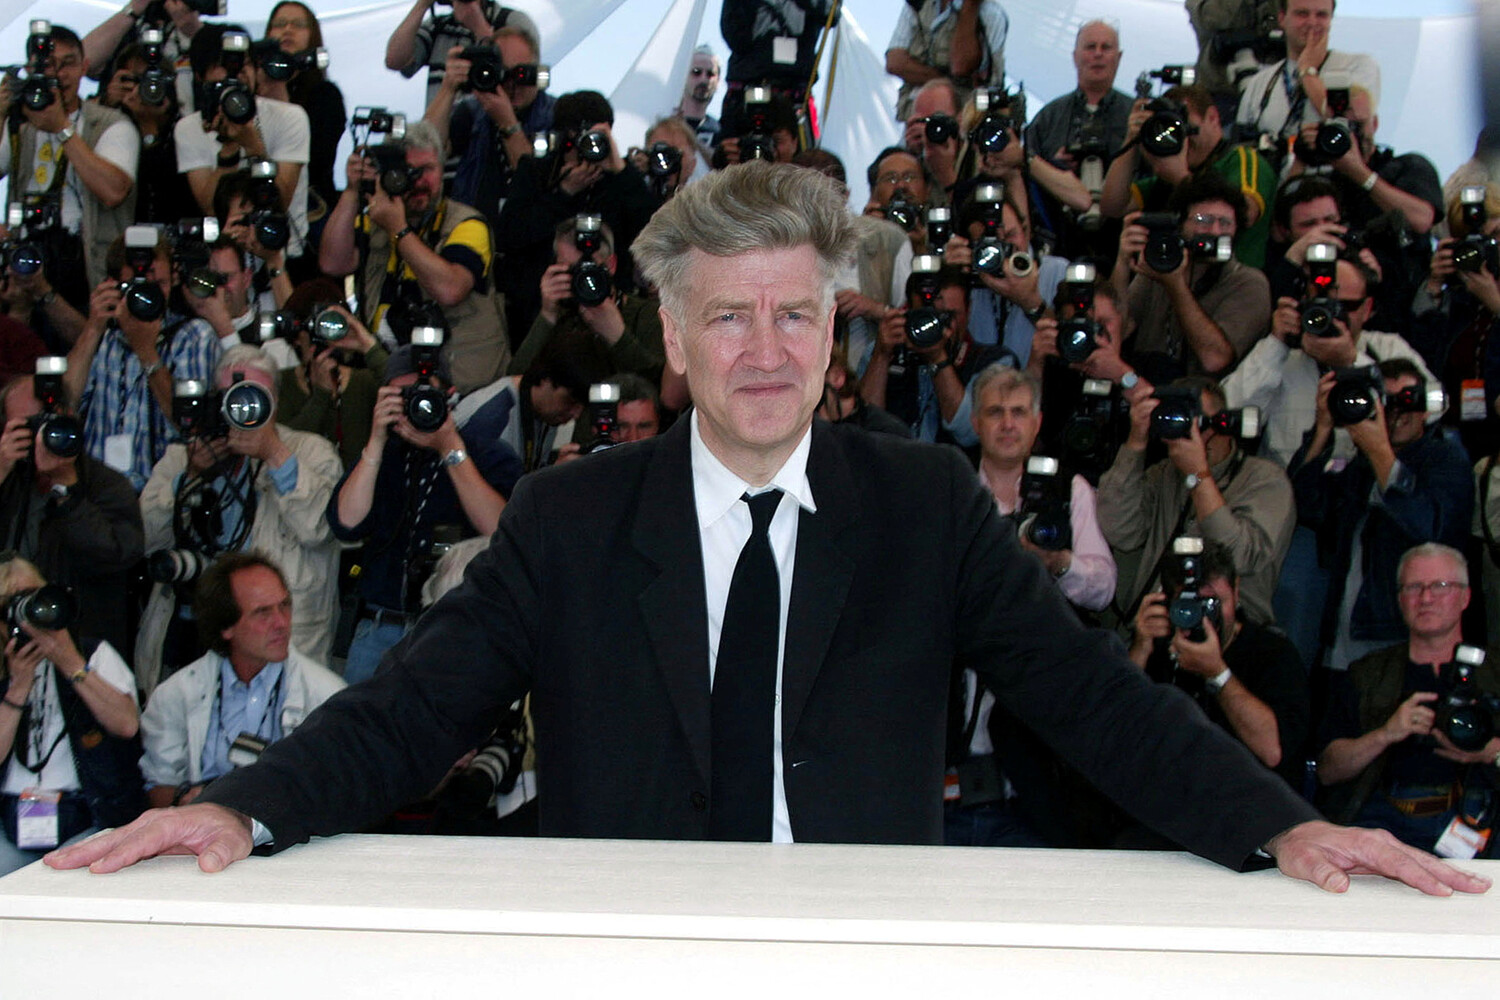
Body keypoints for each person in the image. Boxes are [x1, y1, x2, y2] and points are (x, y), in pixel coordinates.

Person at [47, 162, 1490, 901]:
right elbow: (414, 706)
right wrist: (244, 805)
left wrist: (1286, 824)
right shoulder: (568, 517)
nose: (764, 348)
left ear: (832, 335)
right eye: (728, 317)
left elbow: (1093, 699)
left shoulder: (924, 506)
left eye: (795, 313)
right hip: (633, 957)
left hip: (863, 951)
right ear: (673, 339)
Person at [136, 346, 343, 695]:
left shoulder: (310, 452)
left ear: (274, 401)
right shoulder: (183, 455)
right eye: (230, 396)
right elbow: (144, 538)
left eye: (253, 396)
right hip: (192, 631)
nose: (240, 408)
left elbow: (322, 530)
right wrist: (190, 476)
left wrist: (274, 453)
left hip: (277, 640)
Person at [329, 345, 520, 684]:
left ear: (449, 396)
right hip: (378, 628)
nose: (412, 404)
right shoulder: (382, 455)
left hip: (453, 628)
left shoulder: (485, 452)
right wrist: (375, 441)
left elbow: (502, 531)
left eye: (421, 393)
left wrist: (449, 448)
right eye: (400, 396)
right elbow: (345, 523)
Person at [1290, 358, 1475, 672]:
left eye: (1408, 400)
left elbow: (1432, 531)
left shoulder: (1444, 458)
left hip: (1401, 634)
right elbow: (1306, 507)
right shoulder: (1359, 464)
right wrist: (1322, 428)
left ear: (1426, 409)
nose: (1398, 411)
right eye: (1386, 401)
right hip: (1343, 639)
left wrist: (1379, 452)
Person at [1317, 543, 1500, 854]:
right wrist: (1385, 734)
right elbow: (1327, 770)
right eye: (1414, 587)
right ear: (1399, 598)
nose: (1426, 598)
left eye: (1440, 586)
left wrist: (1492, 752)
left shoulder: (1495, 670)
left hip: (1481, 814)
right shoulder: (1367, 674)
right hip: (1384, 817)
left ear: (1466, 596)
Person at [139, 552, 344, 809]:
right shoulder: (175, 694)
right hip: (200, 826)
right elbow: (157, 787)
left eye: (285, 605)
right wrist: (184, 800)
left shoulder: (327, 697)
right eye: (262, 613)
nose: (281, 623)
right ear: (226, 627)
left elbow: (338, 796)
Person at [319, 120, 511, 393]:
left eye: (428, 169)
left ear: (442, 169)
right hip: (388, 375)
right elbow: (333, 263)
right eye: (408, 171)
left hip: (462, 385)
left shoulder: (466, 223)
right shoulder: (377, 219)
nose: (419, 181)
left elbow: (450, 289)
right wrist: (352, 192)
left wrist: (399, 230)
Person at [1099, 375, 1296, 628]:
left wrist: (1199, 476)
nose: (1194, 432)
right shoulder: (1164, 474)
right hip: (1156, 624)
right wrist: (1136, 441)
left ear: (1224, 422)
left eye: (1200, 421)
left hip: (1229, 629)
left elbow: (1242, 558)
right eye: (1182, 422)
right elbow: (1119, 530)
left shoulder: (1265, 479)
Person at [0, 555, 141, 876]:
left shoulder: (93, 654)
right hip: (11, 816)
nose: (33, 613)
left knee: (69, 880)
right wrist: (17, 687)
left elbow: (127, 724)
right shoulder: (4, 670)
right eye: (16, 604)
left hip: (87, 812)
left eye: (36, 597)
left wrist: (70, 662)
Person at [1130, 541, 1309, 788]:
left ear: (1236, 592)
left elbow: (1272, 751)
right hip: (1166, 791)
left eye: (1213, 604)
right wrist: (1140, 649)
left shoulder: (1274, 654)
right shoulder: (1159, 645)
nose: (1205, 617)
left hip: (1243, 798)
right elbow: (1114, 728)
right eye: (1193, 605)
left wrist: (1218, 674)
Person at [0, 371, 143, 658]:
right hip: (9, 645)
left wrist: (68, 489)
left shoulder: (106, 484)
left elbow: (117, 555)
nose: (38, 436)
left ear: (68, 418)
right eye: (26, 426)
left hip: (81, 645)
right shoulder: (8, 480)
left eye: (45, 423)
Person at [63, 231, 221, 491]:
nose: (149, 296)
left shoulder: (193, 336)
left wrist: (146, 350)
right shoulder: (104, 337)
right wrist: (92, 327)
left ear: (173, 280)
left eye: (159, 284)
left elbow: (190, 426)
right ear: (113, 285)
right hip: (98, 493)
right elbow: (65, 403)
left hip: (162, 493)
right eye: (138, 286)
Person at [0, 24, 139, 301]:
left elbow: (113, 192)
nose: (58, 74)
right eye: (48, 65)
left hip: (87, 269)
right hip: (25, 265)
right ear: (30, 70)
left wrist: (62, 128)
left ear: (84, 67)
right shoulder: (19, 124)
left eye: (68, 64)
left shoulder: (110, 123)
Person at [1113, 174, 1271, 382]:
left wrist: (1175, 285)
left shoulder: (1248, 282)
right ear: (1180, 224)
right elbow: (1118, 332)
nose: (1215, 231)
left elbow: (1214, 359)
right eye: (1203, 221)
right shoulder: (1159, 267)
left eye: (1225, 223)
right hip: (1146, 388)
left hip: (1210, 395)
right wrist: (1122, 263)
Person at [173, 24, 311, 263]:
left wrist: (252, 145)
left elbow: (280, 201)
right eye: (224, 65)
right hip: (226, 258)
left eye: (244, 63)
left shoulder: (290, 117)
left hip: (283, 253)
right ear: (200, 75)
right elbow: (211, 208)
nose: (236, 73)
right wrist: (229, 147)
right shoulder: (189, 128)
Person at [1101, 84, 1275, 267]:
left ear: (1212, 117)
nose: (1181, 136)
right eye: (1170, 128)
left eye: (1184, 124)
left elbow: (1245, 214)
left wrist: (1180, 177)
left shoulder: (1241, 159)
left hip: (1232, 277)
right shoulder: (1166, 177)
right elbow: (1113, 207)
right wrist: (1132, 138)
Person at [426, 25, 556, 228]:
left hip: (532, 234)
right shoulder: (473, 111)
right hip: (474, 232)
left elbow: (538, 183)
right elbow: (427, 148)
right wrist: (448, 87)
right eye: (503, 73)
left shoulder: (555, 115)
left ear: (537, 72)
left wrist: (507, 122)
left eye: (522, 74)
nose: (513, 84)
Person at [1233, 0, 1379, 159]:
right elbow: (1241, 148)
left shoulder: (1357, 67)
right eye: (1302, 14)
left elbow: (1345, 123)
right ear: (1282, 18)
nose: (1312, 23)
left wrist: (1307, 70)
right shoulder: (1260, 83)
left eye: (1321, 15)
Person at [256, 2, 346, 215]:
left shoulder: (325, 95)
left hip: (311, 205)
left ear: (312, 35)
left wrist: (282, 101)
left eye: (298, 25)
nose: (288, 30)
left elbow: (319, 159)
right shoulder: (253, 87)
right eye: (280, 24)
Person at [385, 0, 538, 106]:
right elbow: (394, 60)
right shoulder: (438, 25)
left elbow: (526, 84)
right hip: (442, 135)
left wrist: (480, 29)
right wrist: (422, 4)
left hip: (489, 132)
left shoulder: (511, 21)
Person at [886, 0, 1009, 122]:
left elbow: (961, 65)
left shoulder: (990, 15)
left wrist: (969, 7)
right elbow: (894, 63)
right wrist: (946, 81)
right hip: (916, 117)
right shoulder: (918, 4)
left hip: (964, 123)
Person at [674, 44, 722, 151]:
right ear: (683, 76)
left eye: (710, 74)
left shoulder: (720, 131)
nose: (703, 79)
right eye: (696, 72)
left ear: (718, 81)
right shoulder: (666, 123)